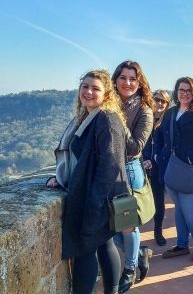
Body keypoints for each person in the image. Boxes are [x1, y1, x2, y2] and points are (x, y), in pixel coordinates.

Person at [47, 69, 127, 294]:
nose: (89, 92)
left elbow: (110, 165)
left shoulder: (107, 120)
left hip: (96, 197)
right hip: (91, 193)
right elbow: (78, 157)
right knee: (104, 244)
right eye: (85, 86)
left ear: (107, 94)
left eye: (95, 88)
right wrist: (62, 177)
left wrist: (95, 202)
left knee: (85, 250)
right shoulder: (87, 116)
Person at [156, 77, 193, 262]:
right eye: (181, 90)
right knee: (180, 209)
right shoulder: (171, 112)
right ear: (176, 91)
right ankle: (182, 245)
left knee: (191, 209)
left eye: (189, 90)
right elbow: (159, 135)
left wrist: (189, 158)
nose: (185, 93)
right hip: (171, 168)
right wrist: (159, 154)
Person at [111, 60, 154, 291]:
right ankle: (140, 253)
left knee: (127, 226)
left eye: (132, 79)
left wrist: (116, 118)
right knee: (108, 225)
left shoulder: (144, 110)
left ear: (139, 83)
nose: (127, 82)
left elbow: (136, 147)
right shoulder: (108, 104)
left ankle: (129, 268)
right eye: (123, 77)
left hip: (129, 170)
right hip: (107, 171)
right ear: (115, 80)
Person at [142, 89, 171, 246]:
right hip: (141, 165)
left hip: (159, 167)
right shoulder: (143, 118)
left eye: (163, 101)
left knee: (158, 201)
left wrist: (156, 159)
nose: (160, 103)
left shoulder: (168, 121)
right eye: (157, 99)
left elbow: (169, 145)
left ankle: (158, 231)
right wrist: (143, 160)